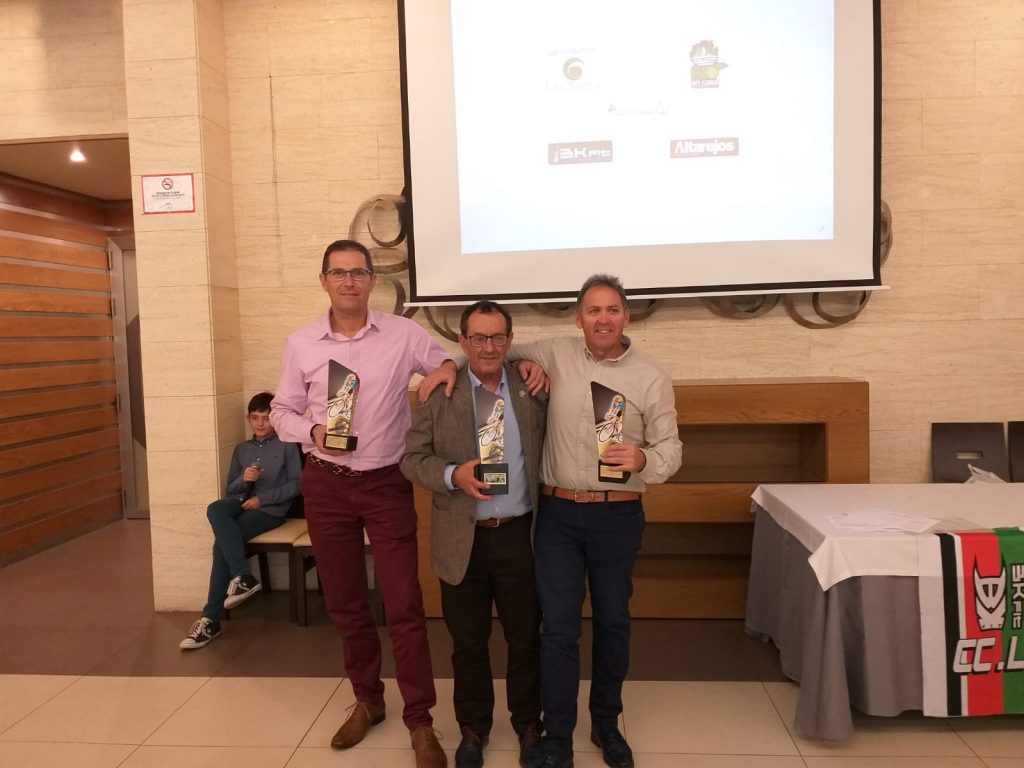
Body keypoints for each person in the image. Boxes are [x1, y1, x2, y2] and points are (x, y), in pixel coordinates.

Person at [421, 274, 682, 768]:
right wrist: (448, 364)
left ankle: (606, 724)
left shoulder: (651, 375)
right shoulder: (554, 353)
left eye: (612, 310)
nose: (602, 319)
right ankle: (556, 736)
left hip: (618, 513)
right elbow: (489, 350)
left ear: (626, 316)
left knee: (612, 622)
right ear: (578, 318)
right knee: (558, 628)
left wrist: (645, 459)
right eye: (593, 310)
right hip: (558, 516)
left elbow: (672, 448)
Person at [270, 239, 452, 768]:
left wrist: (445, 368)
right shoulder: (302, 343)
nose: (348, 281)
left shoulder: (402, 334)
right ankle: (368, 699)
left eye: (357, 272)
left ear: (373, 280)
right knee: (346, 602)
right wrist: (312, 431)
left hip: (386, 483)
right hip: (326, 485)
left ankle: (420, 719)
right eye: (338, 272)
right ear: (323, 280)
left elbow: (443, 361)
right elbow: (281, 411)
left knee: (404, 603)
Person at [401, 301, 546, 768]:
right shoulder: (438, 391)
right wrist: (451, 475)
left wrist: (531, 364)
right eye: (478, 338)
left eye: (497, 337)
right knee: (468, 644)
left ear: (509, 340)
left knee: (526, 638)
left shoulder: (530, 387)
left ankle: (528, 724)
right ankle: (473, 729)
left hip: (520, 536)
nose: (488, 347)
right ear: (462, 342)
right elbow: (411, 459)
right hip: (461, 539)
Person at [179, 391, 302, 650]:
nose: (260, 423)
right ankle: (242, 576)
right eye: (255, 418)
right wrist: (243, 479)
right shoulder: (241, 449)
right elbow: (230, 488)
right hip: (238, 502)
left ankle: (210, 619)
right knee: (215, 508)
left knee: (220, 545)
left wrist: (262, 499)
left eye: (266, 418)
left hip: (269, 510)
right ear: (248, 419)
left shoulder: (287, 445)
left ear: (275, 419)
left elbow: (297, 485)